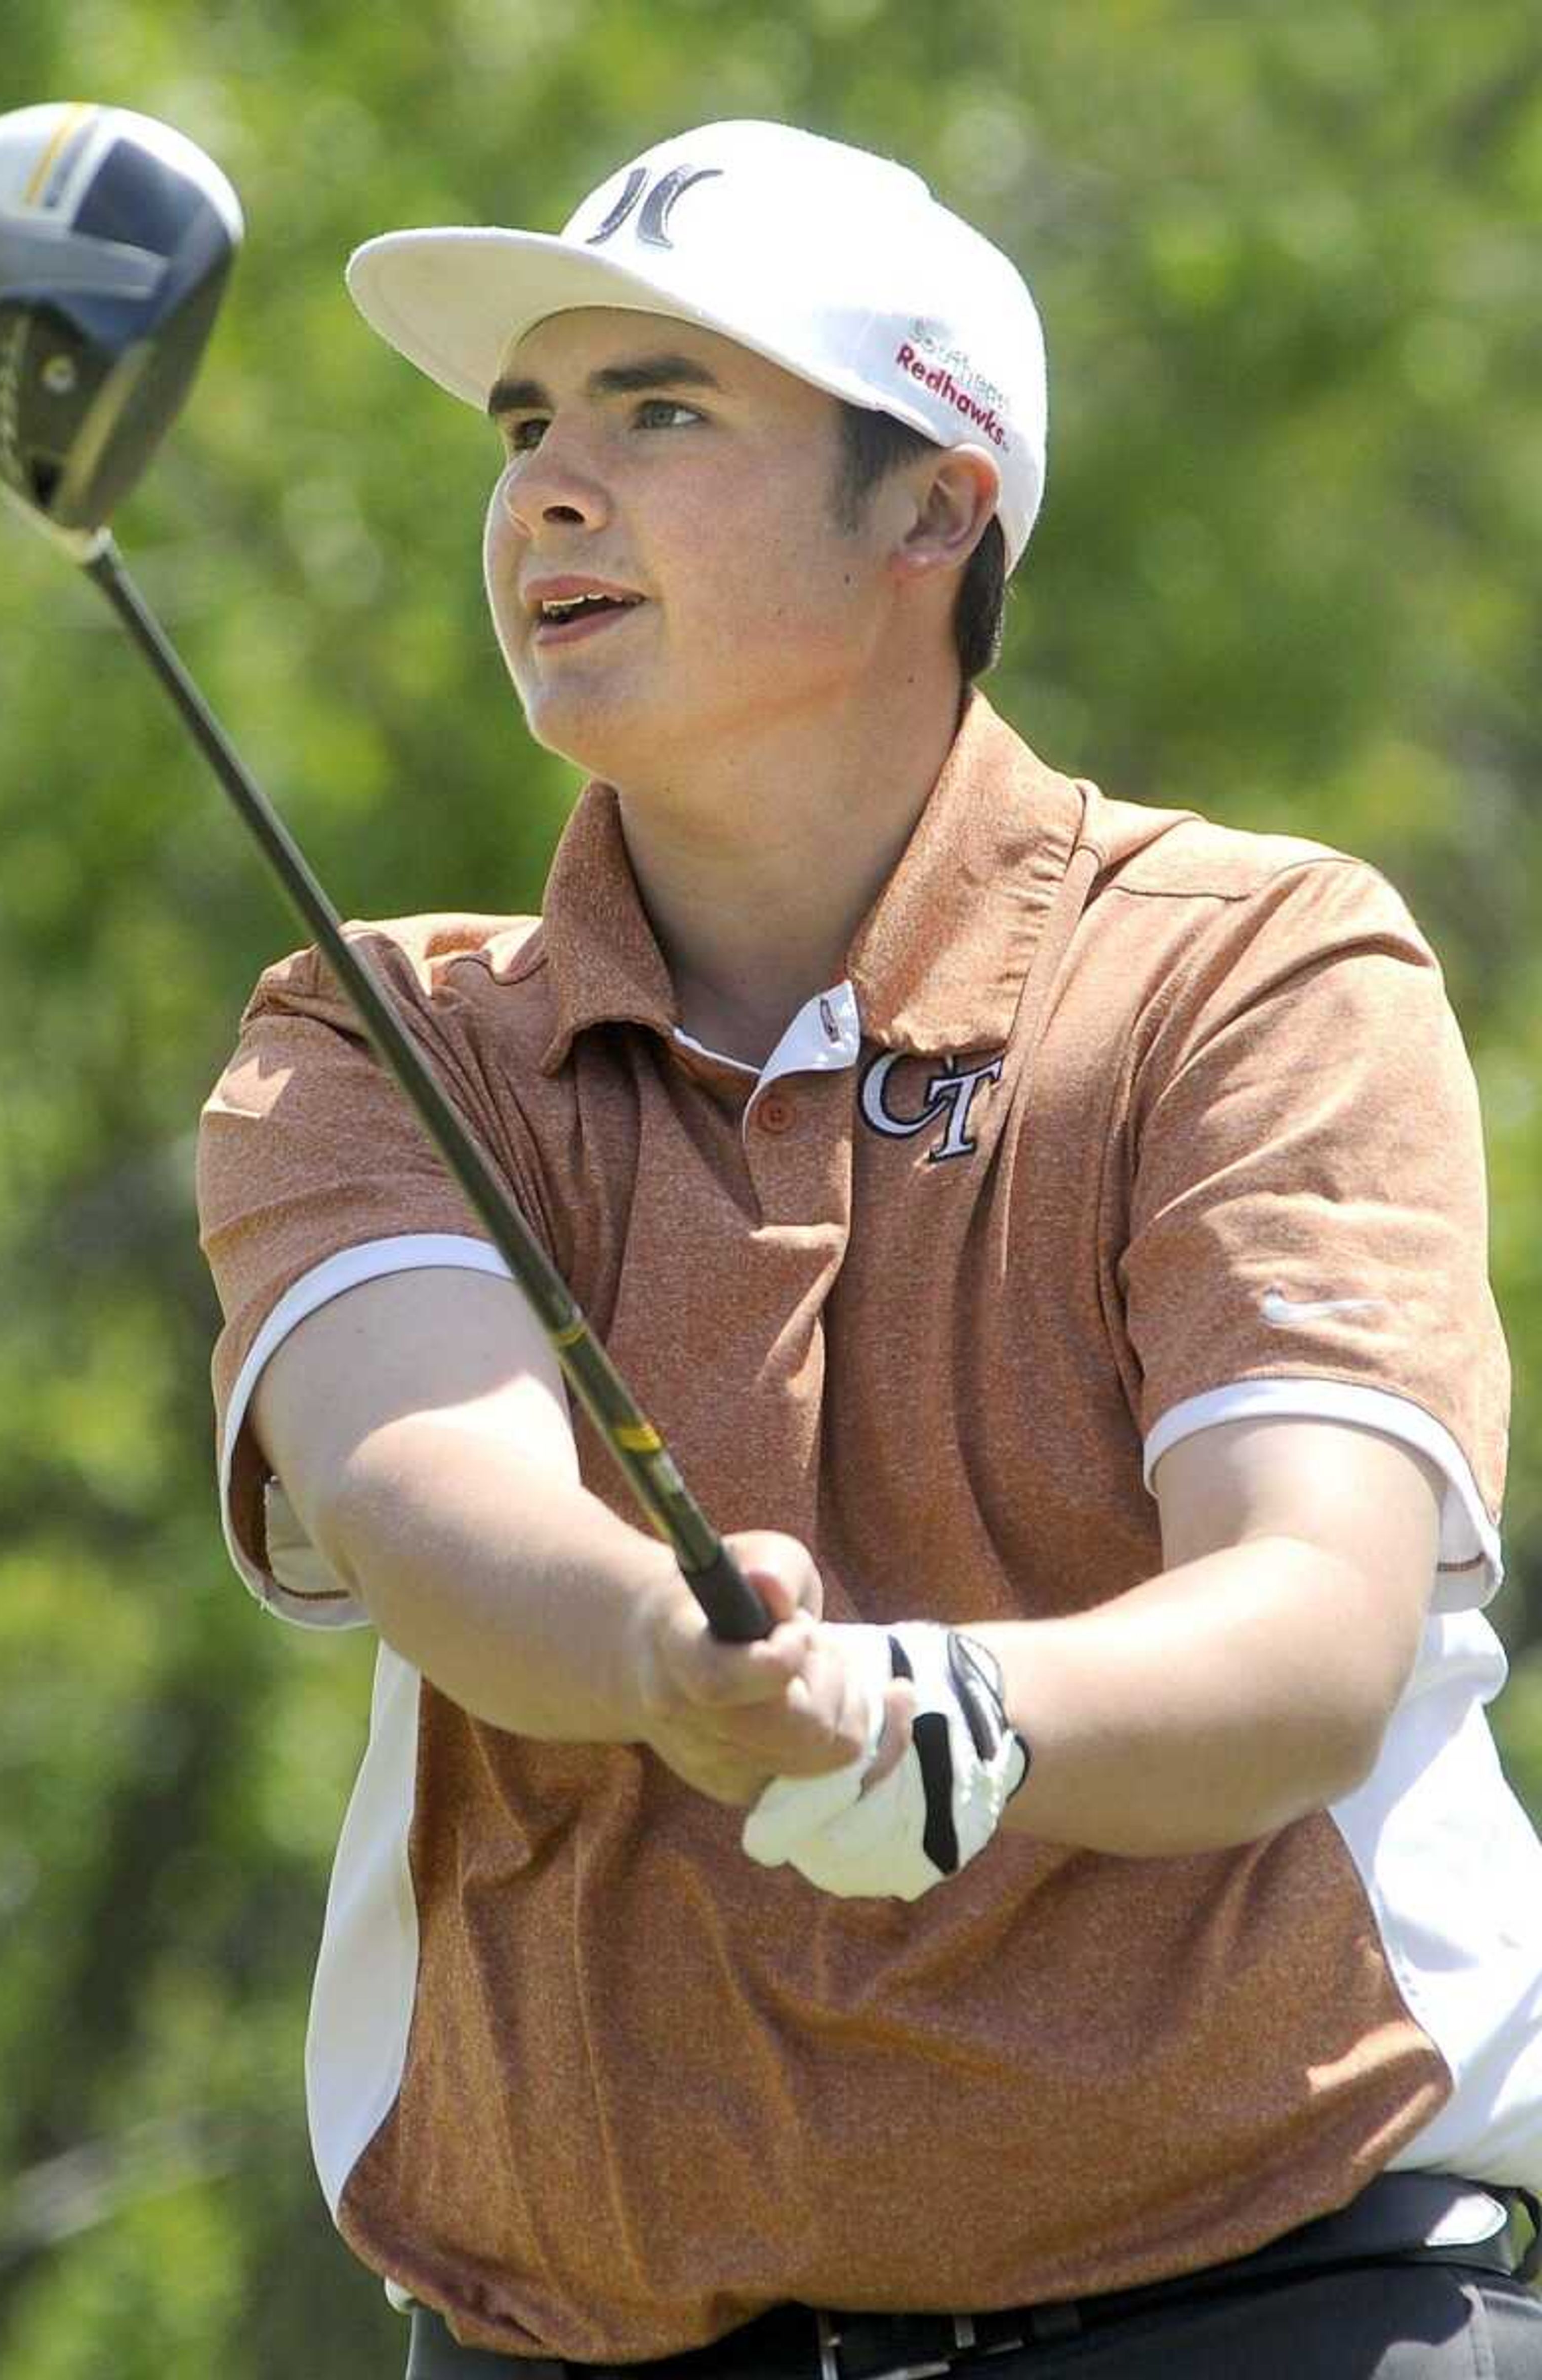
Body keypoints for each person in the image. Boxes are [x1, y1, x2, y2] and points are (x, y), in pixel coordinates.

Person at [197, 118, 1542, 2378]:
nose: (544, 488)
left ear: (934, 504)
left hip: (1273, 2295)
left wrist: (959, 1713)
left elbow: (1310, 1634)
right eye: (529, 422)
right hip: (592, 2338)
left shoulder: (1261, 971)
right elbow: (432, 1504)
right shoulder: (380, 1028)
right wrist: (668, 1649)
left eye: (662, 409)